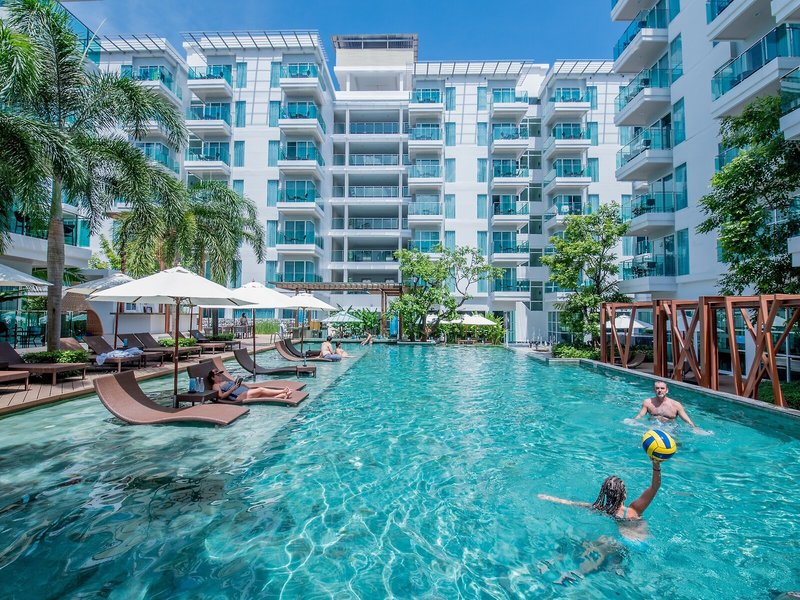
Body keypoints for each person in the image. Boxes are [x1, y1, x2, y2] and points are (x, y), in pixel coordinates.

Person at [538, 458, 663, 523]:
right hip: (642, 541)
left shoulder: (601, 509)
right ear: (624, 495)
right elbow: (655, 487)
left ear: (604, 494)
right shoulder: (633, 510)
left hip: (622, 542)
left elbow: (570, 503)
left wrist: (549, 498)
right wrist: (656, 464)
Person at [633, 380, 698, 429]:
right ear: (654, 390)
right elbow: (640, 415)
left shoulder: (676, 405)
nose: (660, 390)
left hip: (670, 428)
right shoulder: (647, 402)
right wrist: (633, 421)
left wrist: (695, 428)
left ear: (667, 390)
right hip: (653, 427)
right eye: (657, 388)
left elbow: (688, 421)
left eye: (662, 388)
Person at [206, 370, 291, 402]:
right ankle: (283, 391)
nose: (220, 376)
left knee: (262, 395)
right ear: (213, 378)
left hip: (243, 391)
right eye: (217, 375)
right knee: (260, 390)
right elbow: (221, 396)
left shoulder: (224, 381)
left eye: (220, 374)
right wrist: (233, 389)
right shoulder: (215, 385)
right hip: (238, 396)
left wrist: (239, 384)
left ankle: (282, 396)